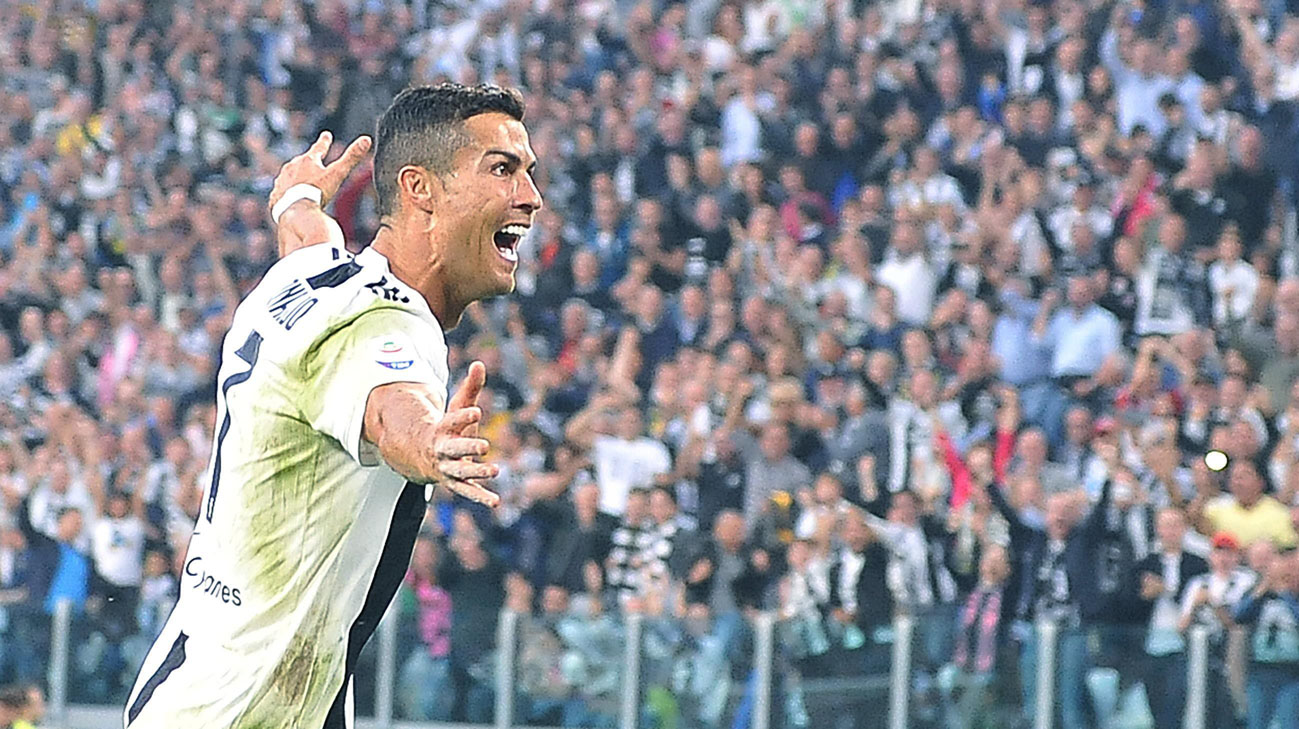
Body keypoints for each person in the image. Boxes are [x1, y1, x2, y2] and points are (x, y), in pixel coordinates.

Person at [125, 83, 542, 729]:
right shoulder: (383, 325)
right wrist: (429, 445)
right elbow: (389, 409)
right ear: (419, 189)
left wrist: (295, 195)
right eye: (502, 169)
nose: (530, 195)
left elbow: (305, 232)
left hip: (193, 687)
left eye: (527, 172)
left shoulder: (307, 276)